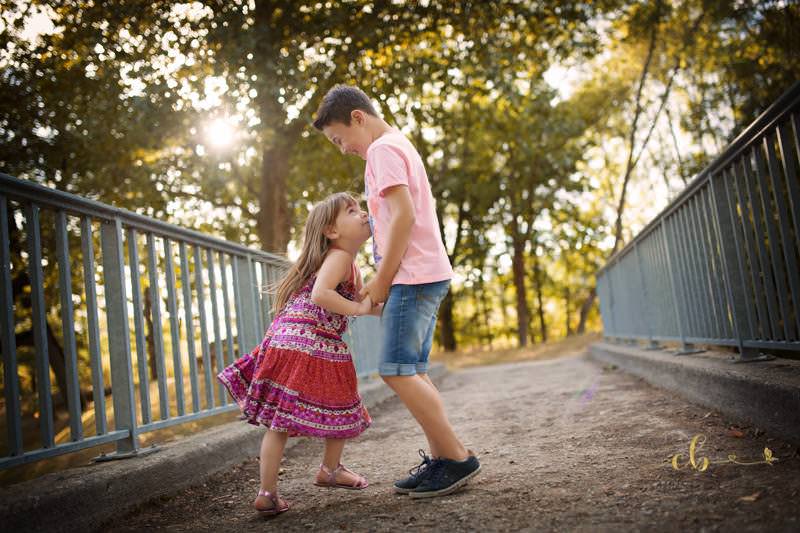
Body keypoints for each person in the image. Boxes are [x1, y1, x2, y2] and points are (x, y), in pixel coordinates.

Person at [313, 85, 480, 499]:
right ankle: (443, 459)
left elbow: (403, 216)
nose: (342, 149)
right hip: (423, 272)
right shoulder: (396, 145)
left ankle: (457, 457)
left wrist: (383, 279)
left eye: (339, 139)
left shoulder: (382, 151)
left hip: (413, 275)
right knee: (412, 370)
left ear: (358, 118)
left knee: (394, 369)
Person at [217, 192, 378, 516]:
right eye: (352, 210)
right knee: (342, 401)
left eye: (361, 208)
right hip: (310, 341)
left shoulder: (341, 262)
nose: (363, 214)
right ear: (332, 231)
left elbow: (364, 301)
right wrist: (359, 309)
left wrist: (384, 308)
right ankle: (329, 469)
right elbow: (322, 295)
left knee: (279, 421)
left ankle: (267, 493)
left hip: (283, 341)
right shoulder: (340, 257)